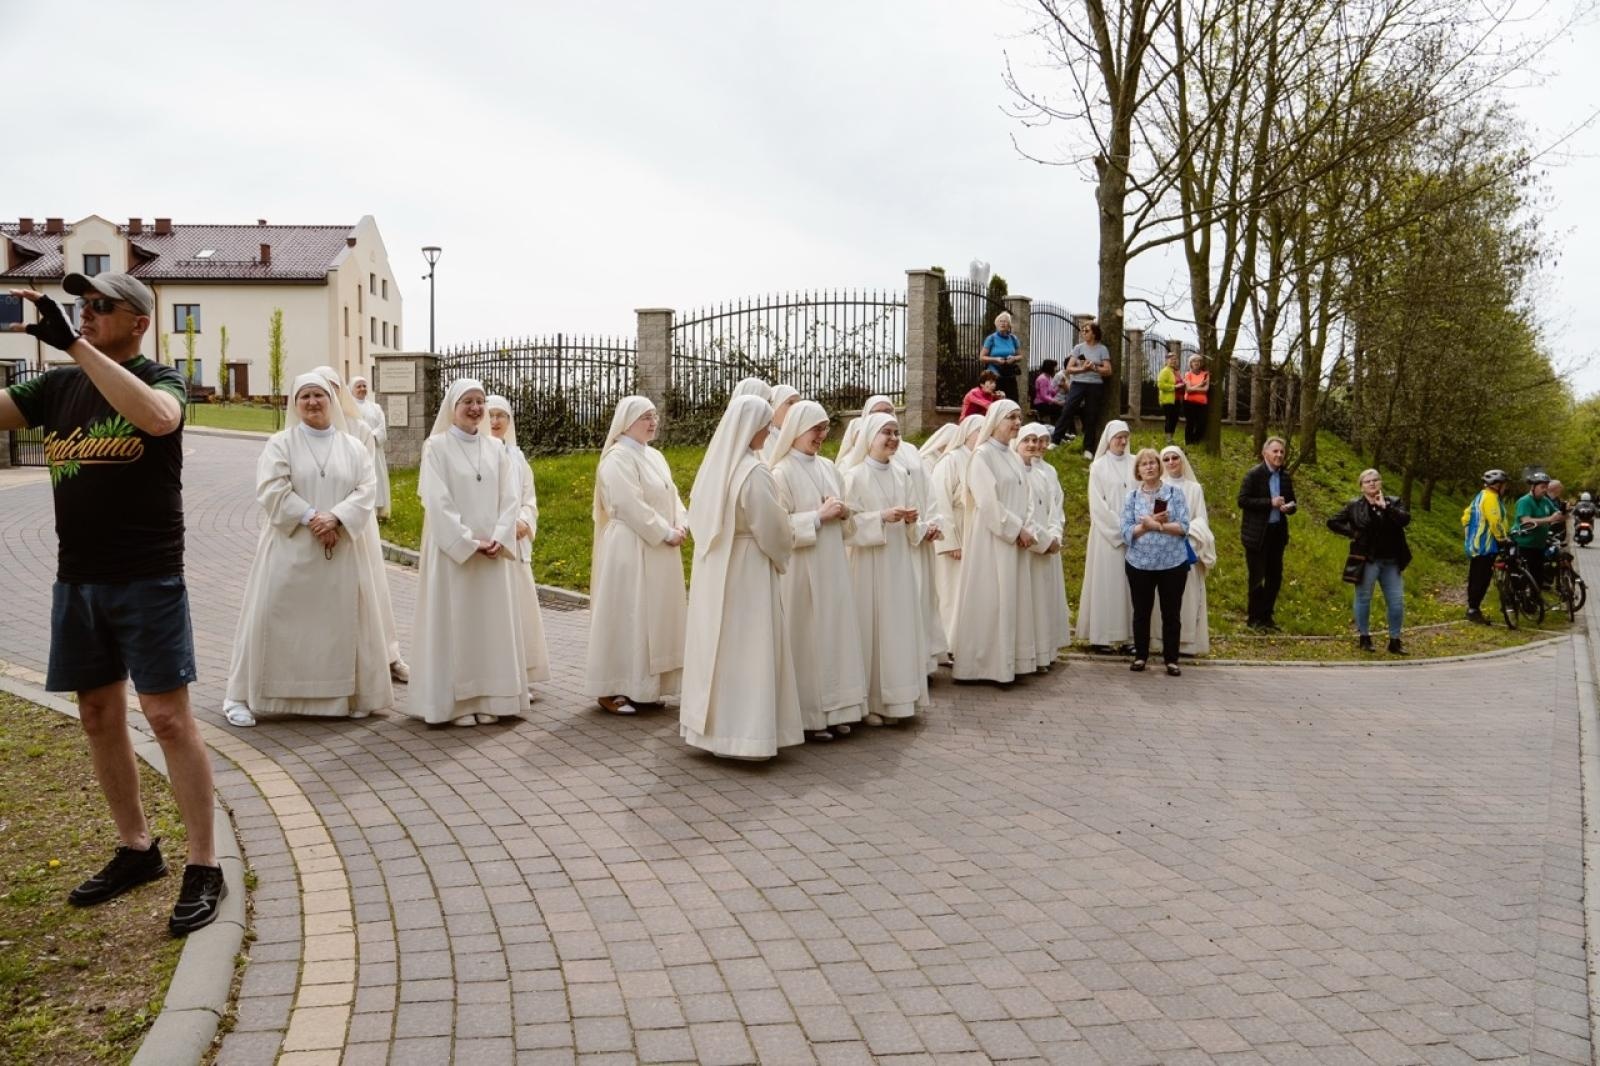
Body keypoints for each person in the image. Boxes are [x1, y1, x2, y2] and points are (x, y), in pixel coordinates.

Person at [0, 275, 223, 935]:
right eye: (80, 307)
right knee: (97, 714)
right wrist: (67, 351)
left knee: (168, 719)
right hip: (78, 579)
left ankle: (205, 865)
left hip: (148, 578)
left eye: (101, 307)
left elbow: (158, 419)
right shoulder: (55, 387)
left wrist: (75, 345)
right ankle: (137, 849)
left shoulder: (161, 378)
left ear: (139, 322)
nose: (87, 315)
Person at [223, 373, 392, 726]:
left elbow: (366, 489)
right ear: (295, 403)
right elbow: (272, 488)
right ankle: (239, 696)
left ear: (332, 400)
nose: (313, 402)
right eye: (305, 396)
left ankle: (340, 698)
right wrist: (314, 517)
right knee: (267, 617)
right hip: (290, 548)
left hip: (340, 549)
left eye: (319, 395)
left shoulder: (353, 447)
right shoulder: (281, 443)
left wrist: (337, 518)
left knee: (338, 627)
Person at [680, 395, 803, 758]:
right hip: (749, 568)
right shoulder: (754, 471)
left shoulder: (715, 468)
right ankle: (748, 736)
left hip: (717, 566)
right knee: (751, 647)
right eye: (765, 425)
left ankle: (716, 734)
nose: (769, 431)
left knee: (722, 649)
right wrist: (784, 551)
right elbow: (772, 527)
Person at [404, 378, 530, 727]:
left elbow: (511, 497)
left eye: (480, 402)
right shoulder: (436, 447)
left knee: (490, 627)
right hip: (452, 554)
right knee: (453, 625)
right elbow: (436, 499)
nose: (475, 408)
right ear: (453, 407)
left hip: (492, 554)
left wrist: (500, 536)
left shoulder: (496, 448)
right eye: (468, 402)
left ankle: (492, 699)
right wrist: (466, 541)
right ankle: (455, 705)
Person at [769, 400, 868, 740]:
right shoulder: (780, 472)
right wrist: (817, 516)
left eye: (825, 428)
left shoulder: (829, 467)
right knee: (807, 639)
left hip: (833, 564)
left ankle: (839, 710)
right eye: (816, 428)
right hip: (802, 570)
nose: (822, 435)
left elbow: (849, 521)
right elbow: (778, 527)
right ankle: (810, 717)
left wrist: (844, 513)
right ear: (797, 429)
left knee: (835, 636)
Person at [586, 397, 689, 714]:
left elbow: (672, 495)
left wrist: (681, 523)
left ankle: (645, 687)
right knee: (628, 615)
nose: (653, 421)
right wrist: (664, 531)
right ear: (626, 421)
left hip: (658, 546)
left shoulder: (655, 456)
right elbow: (628, 503)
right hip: (630, 547)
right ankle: (612, 688)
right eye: (645, 416)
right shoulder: (617, 458)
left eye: (654, 415)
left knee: (651, 619)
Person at [312, 366, 410, 683]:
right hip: (315, 528)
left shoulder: (360, 429)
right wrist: (319, 519)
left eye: (332, 387)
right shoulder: (303, 431)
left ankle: (387, 656)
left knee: (370, 593)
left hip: (356, 525)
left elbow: (367, 481)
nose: (327, 394)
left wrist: (340, 517)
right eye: (320, 388)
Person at [840, 411, 932, 721]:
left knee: (899, 629)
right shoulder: (854, 476)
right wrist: (880, 517)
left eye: (896, 433)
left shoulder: (902, 474)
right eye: (887, 433)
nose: (893, 438)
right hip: (868, 564)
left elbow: (912, 525)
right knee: (872, 628)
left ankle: (900, 700)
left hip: (898, 562)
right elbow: (847, 528)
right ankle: (872, 702)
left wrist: (912, 521)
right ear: (869, 437)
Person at [951, 399, 1041, 683]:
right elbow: (987, 502)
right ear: (995, 421)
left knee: (1011, 600)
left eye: (1019, 417)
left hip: (1015, 539)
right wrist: (1016, 529)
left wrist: (1026, 526)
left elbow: (1026, 497)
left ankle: (1010, 663)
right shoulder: (982, 456)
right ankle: (981, 666)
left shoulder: (1013, 456)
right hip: (991, 540)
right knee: (991, 600)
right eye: (1011, 417)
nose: (1017, 423)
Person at [486, 395, 552, 696]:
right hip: (495, 541)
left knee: (520, 612)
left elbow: (529, 496)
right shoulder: (480, 454)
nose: (495, 421)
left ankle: (521, 677)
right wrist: (504, 526)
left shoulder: (517, 456)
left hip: (518, 543)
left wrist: (524, 520)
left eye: (501, 415)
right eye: (490, 415)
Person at [1122, 448, 1191, 676]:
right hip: (1139, 564)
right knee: (1141, 612)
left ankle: (1171, 660)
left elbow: (1184, 527)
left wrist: (1158, 526)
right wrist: (1147, 524)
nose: (1149, 466)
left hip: (1172, 563)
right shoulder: (1131, 497)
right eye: (1144, 464)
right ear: (1138, 470)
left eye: (1153, 462)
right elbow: (1125, 531)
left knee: (1171, 613)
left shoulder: (1174, 493)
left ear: (1159, 467)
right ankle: (1141, 656)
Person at [1327, 468, 1412, 654]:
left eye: (1375, 480)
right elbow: (1332, 522)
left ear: (1381, 483)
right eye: (1367, 481)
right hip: (1367, 560)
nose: (1372, 483)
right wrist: (1353, 533)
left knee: (1396, 601)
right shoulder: (1354, 506)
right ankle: (1364, 637)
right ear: (1361, 487)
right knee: (1363, 598)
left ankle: (1395, 641)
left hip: (1391, 561)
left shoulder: (1393, 502)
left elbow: (1405, 519)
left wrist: (1385, 507)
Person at [1014, 423, 1070, 670]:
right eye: (1028, 440)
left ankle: (1046, 652)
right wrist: (1044, 541)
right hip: (1030, 547)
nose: (1035, 445)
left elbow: (1056, 507)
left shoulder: (1047, 472)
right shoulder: (1017, 472)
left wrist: (1056, 535)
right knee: (1030, 603)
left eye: (1039, 441)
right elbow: (1023, 513)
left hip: (1049, 545)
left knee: (1045, 601)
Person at [1077, 420, 1136, 649]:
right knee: (1106, 584)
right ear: (1109, 439)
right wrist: (1120, 529)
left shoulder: (1135, 463)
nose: (1122, 441)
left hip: (1135, 535)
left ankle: (1129, 638)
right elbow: (1098, 504)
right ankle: (1102, 636)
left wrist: (1134, 527)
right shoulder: (1099, 466)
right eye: (1118, 437)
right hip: (1106, 535)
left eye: (1125, 436)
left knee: (1130, 587)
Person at [930, 414, 986, 650]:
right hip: (956, 532)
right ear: (966, 433)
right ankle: (949, 645)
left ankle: (968, 643)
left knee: (972, 593)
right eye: (979, 431)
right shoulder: (950, 460)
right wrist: (950, 541)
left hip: (975, 532)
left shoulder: (981, 460)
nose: (983, 436)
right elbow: (939, 502)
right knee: (951, 592)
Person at [1154, 445, 1215, 656]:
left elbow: (1201, 520)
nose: (1171, 462)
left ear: (1182, 461)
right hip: (1164, 550)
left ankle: (1186, 643)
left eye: (1175, 458)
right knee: (1164, 599)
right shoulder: (1159, 489)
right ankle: (1161, 642)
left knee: (1188, 599)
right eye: (1166, 459)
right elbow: (1157, 518)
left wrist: (1188, 534)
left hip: (1188, 549)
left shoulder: (1194, 489)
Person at [1238, 436, 1296, 631]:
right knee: (1257, 577)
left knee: (1275, 577)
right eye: (1275, 451)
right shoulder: (1253, 475)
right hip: (1256, 534)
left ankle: (1267, 617)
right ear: (1265, 453)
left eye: (1281, 452)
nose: (1279, 455)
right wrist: (1269, 503)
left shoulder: (1285, 476)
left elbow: (1293, 502)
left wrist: (1289, 507)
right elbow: (1243, 500)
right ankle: (1254, 619)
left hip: (1277, 533)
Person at [1053, 322, 1112, 458]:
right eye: (1082, 330)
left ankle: (1088, 449)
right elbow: (1069, 368)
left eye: (1086, 331)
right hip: (1078, 383)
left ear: (1094, 333)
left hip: (1095, 385)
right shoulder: (1078, 348)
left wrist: (1094, 368)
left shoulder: (1102, 349)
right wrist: (1083, 369)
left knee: (1091, 415)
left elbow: (1108, 370)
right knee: (1068, 409)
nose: (1083, 333)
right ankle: (1055, 440)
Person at [1462, 469, 1511, 624]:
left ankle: (1473, 608)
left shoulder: (1481, 495)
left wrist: (1469, 534)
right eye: (1504, 484)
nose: (1505, 488)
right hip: (1486, 545)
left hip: (1477, 545)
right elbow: (1495, 521)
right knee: (1481, 579)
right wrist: (1503, 539)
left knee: (1476, 576)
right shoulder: (1491, 498)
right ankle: (1473, 610)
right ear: (1497, 485)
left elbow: (1466, 516)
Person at [349, 375, 391, 520]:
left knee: (376, 477)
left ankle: (378, 511)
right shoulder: (348, 409)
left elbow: (382, 427)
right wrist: (361, 439)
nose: (362, 389)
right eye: (358, 386)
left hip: (375, 449)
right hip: (357, 450)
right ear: (352, 389)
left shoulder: (375, 408)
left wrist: (371, 436)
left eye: (364, 386)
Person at [1512, 473, 1561, 588]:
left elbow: (1555, 513)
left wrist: (1562, 512)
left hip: (1539, 545)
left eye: (1546, 487)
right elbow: (1526, 521)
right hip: (1525, 545)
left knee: (1538, 578)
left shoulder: (1545, 500)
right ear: (1533, 487)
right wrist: (1549, 519)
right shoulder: (1525, 501)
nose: (1545, 490)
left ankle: (1535, 596)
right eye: (1542, 487)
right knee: (1525, 579)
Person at [979, 311, 1023, 403]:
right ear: (996, 324)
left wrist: (1014, 358)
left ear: (1009, 325)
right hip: (995, 375)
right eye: (1000, 321)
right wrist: (995, 359)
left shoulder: (1013, 339)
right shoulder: (991, 338)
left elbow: (1020, 356)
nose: (1003, 323)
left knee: (1012, 401)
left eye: (1005, 321)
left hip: (1009, 375)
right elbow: (982, 357)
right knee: (996, 402)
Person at [759, 383, 801, 463]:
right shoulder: (761, 439)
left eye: (798, 404)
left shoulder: (800, 437)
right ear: (774, 405)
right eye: (790, 403)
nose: (796, 408)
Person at [1181, 356, 1211, 446]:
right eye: (1194, 361)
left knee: (1202, 423)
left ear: (1201, 363)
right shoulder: (1188, 374)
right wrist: (1200, 385)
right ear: (1191, 363)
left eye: (1198, 361)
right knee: (1190, 423)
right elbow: (1188, 390)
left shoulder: (1205, 374)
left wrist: (1193, 388)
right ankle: (1188, 443)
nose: (1196, 363)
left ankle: (1195, 441)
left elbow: (1206, 389)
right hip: (1189, 403)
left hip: (1202, 403)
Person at [1156, 351, 1182, 444]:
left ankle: (1171, 438)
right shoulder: (1165, 371)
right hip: (1167, 400)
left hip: (1177, 399)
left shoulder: (1176, 372)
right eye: (1171, 359)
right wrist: (1174, 387)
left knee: (1175, 419)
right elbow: (1161, 385)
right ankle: (1168, 439)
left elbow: (1180, 383)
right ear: (1166, 361)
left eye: (1175, 359)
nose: (1173, 361)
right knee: (1169, 419)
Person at [1032, 359, 1063, 425]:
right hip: (1040, 404)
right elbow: (1044, 396)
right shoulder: (1043, 379)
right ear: (1050, 368)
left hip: (1045, 403)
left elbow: (1052, 393)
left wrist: (1059, 386)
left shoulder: (1048, 378)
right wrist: (1056, 402)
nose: (1056, 369)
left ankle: (1055, 426)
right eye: (1055, 367)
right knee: (1060, 408)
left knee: (1062, 407)